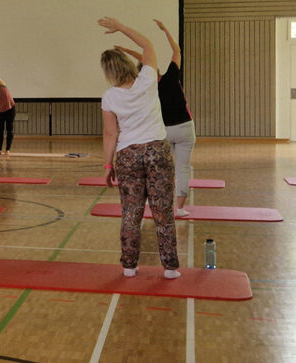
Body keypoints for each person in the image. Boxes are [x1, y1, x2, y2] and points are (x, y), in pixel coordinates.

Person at [97, 17, 180, 279]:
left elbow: (110, 133)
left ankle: (129, 266)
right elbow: (147, 45)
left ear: (109, 73)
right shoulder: (147, 79)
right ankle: (170, 268)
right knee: (163, 212)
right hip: (157, 152)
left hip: (128, 156)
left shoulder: (110, 96)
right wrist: (121, 27)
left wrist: (108, 165)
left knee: (131, 214)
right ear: (127, 64)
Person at [115, 19, 196, 217]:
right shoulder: (172, 76)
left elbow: (145, 62)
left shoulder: (148, 89)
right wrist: (166, 30)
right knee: (182, 169)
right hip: (185, 128)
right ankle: (180, 209)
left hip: (163, 132)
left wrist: (127, 51)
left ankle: (155, 206)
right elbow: (176, 51)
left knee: (160, 171)